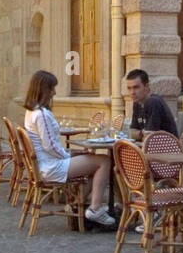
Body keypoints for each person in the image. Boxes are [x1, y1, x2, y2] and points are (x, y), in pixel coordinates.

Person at [23, 70, 115, 227]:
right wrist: (69, 156)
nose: (54, 92)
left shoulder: (31, 112)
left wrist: (74, 153)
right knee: (104, 161)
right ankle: (95, 208)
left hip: (46, 164)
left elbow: (49, 146)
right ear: (44, 89)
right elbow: (50, 146)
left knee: (95, 166)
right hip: (52, 166)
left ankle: (76, 204)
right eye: (52, 88)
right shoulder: (41, 114)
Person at [125, 69, 177, 140]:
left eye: (136, 87)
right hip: (150, 149)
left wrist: (140, 134)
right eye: (129, 88)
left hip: (167, 150)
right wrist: (142, 133)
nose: (132, 92)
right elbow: (132, 134)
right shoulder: (137, 103)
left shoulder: (153, 102)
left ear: (146, 86)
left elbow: (149, 139)